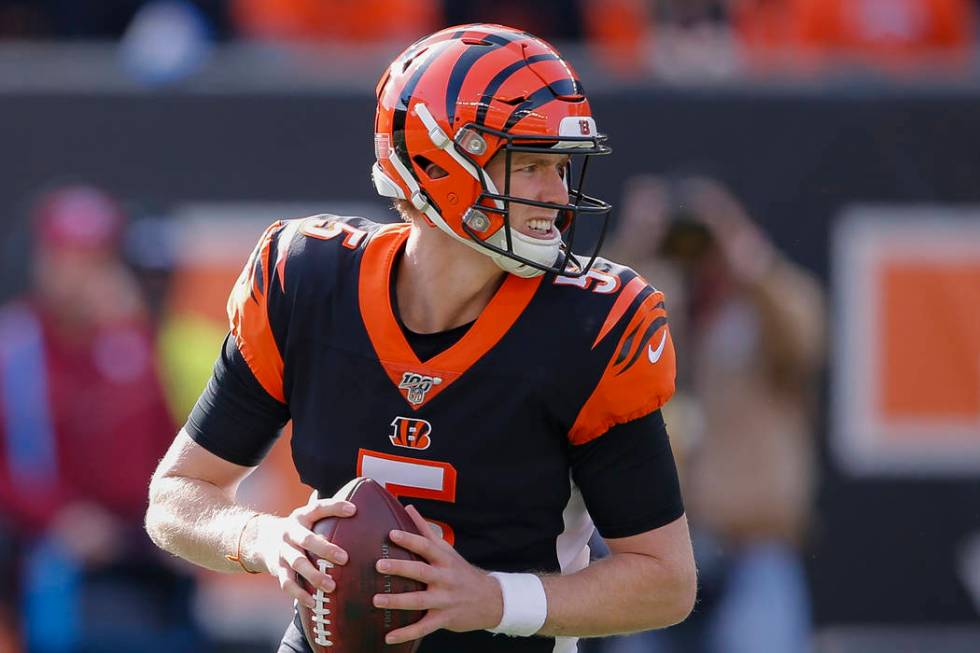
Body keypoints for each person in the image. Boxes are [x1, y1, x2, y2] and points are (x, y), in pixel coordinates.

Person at [145, 24, 696, 653]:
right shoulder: (307, 281)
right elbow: (176, 497)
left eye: (562, 166)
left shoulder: (587, 328)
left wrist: (492, 598)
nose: (557, 194)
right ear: (440, 164)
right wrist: (263, 541)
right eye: (533, 165)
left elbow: (666, 580)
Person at [605, 175, 825, 653]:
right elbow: (594, 344)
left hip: (754, 545)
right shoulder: (658, 307)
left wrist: (741, 249)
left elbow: (805, 341)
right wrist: (635, 252)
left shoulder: (767, 309)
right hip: (658, 548)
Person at [0, 183, 201, 652]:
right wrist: (59, 517)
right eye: (66, 257)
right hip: (46, 545)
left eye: (93, 259)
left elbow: (159, 446)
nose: (78, 275)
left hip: (132, 541)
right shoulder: (15, 347)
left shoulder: (131, 343)